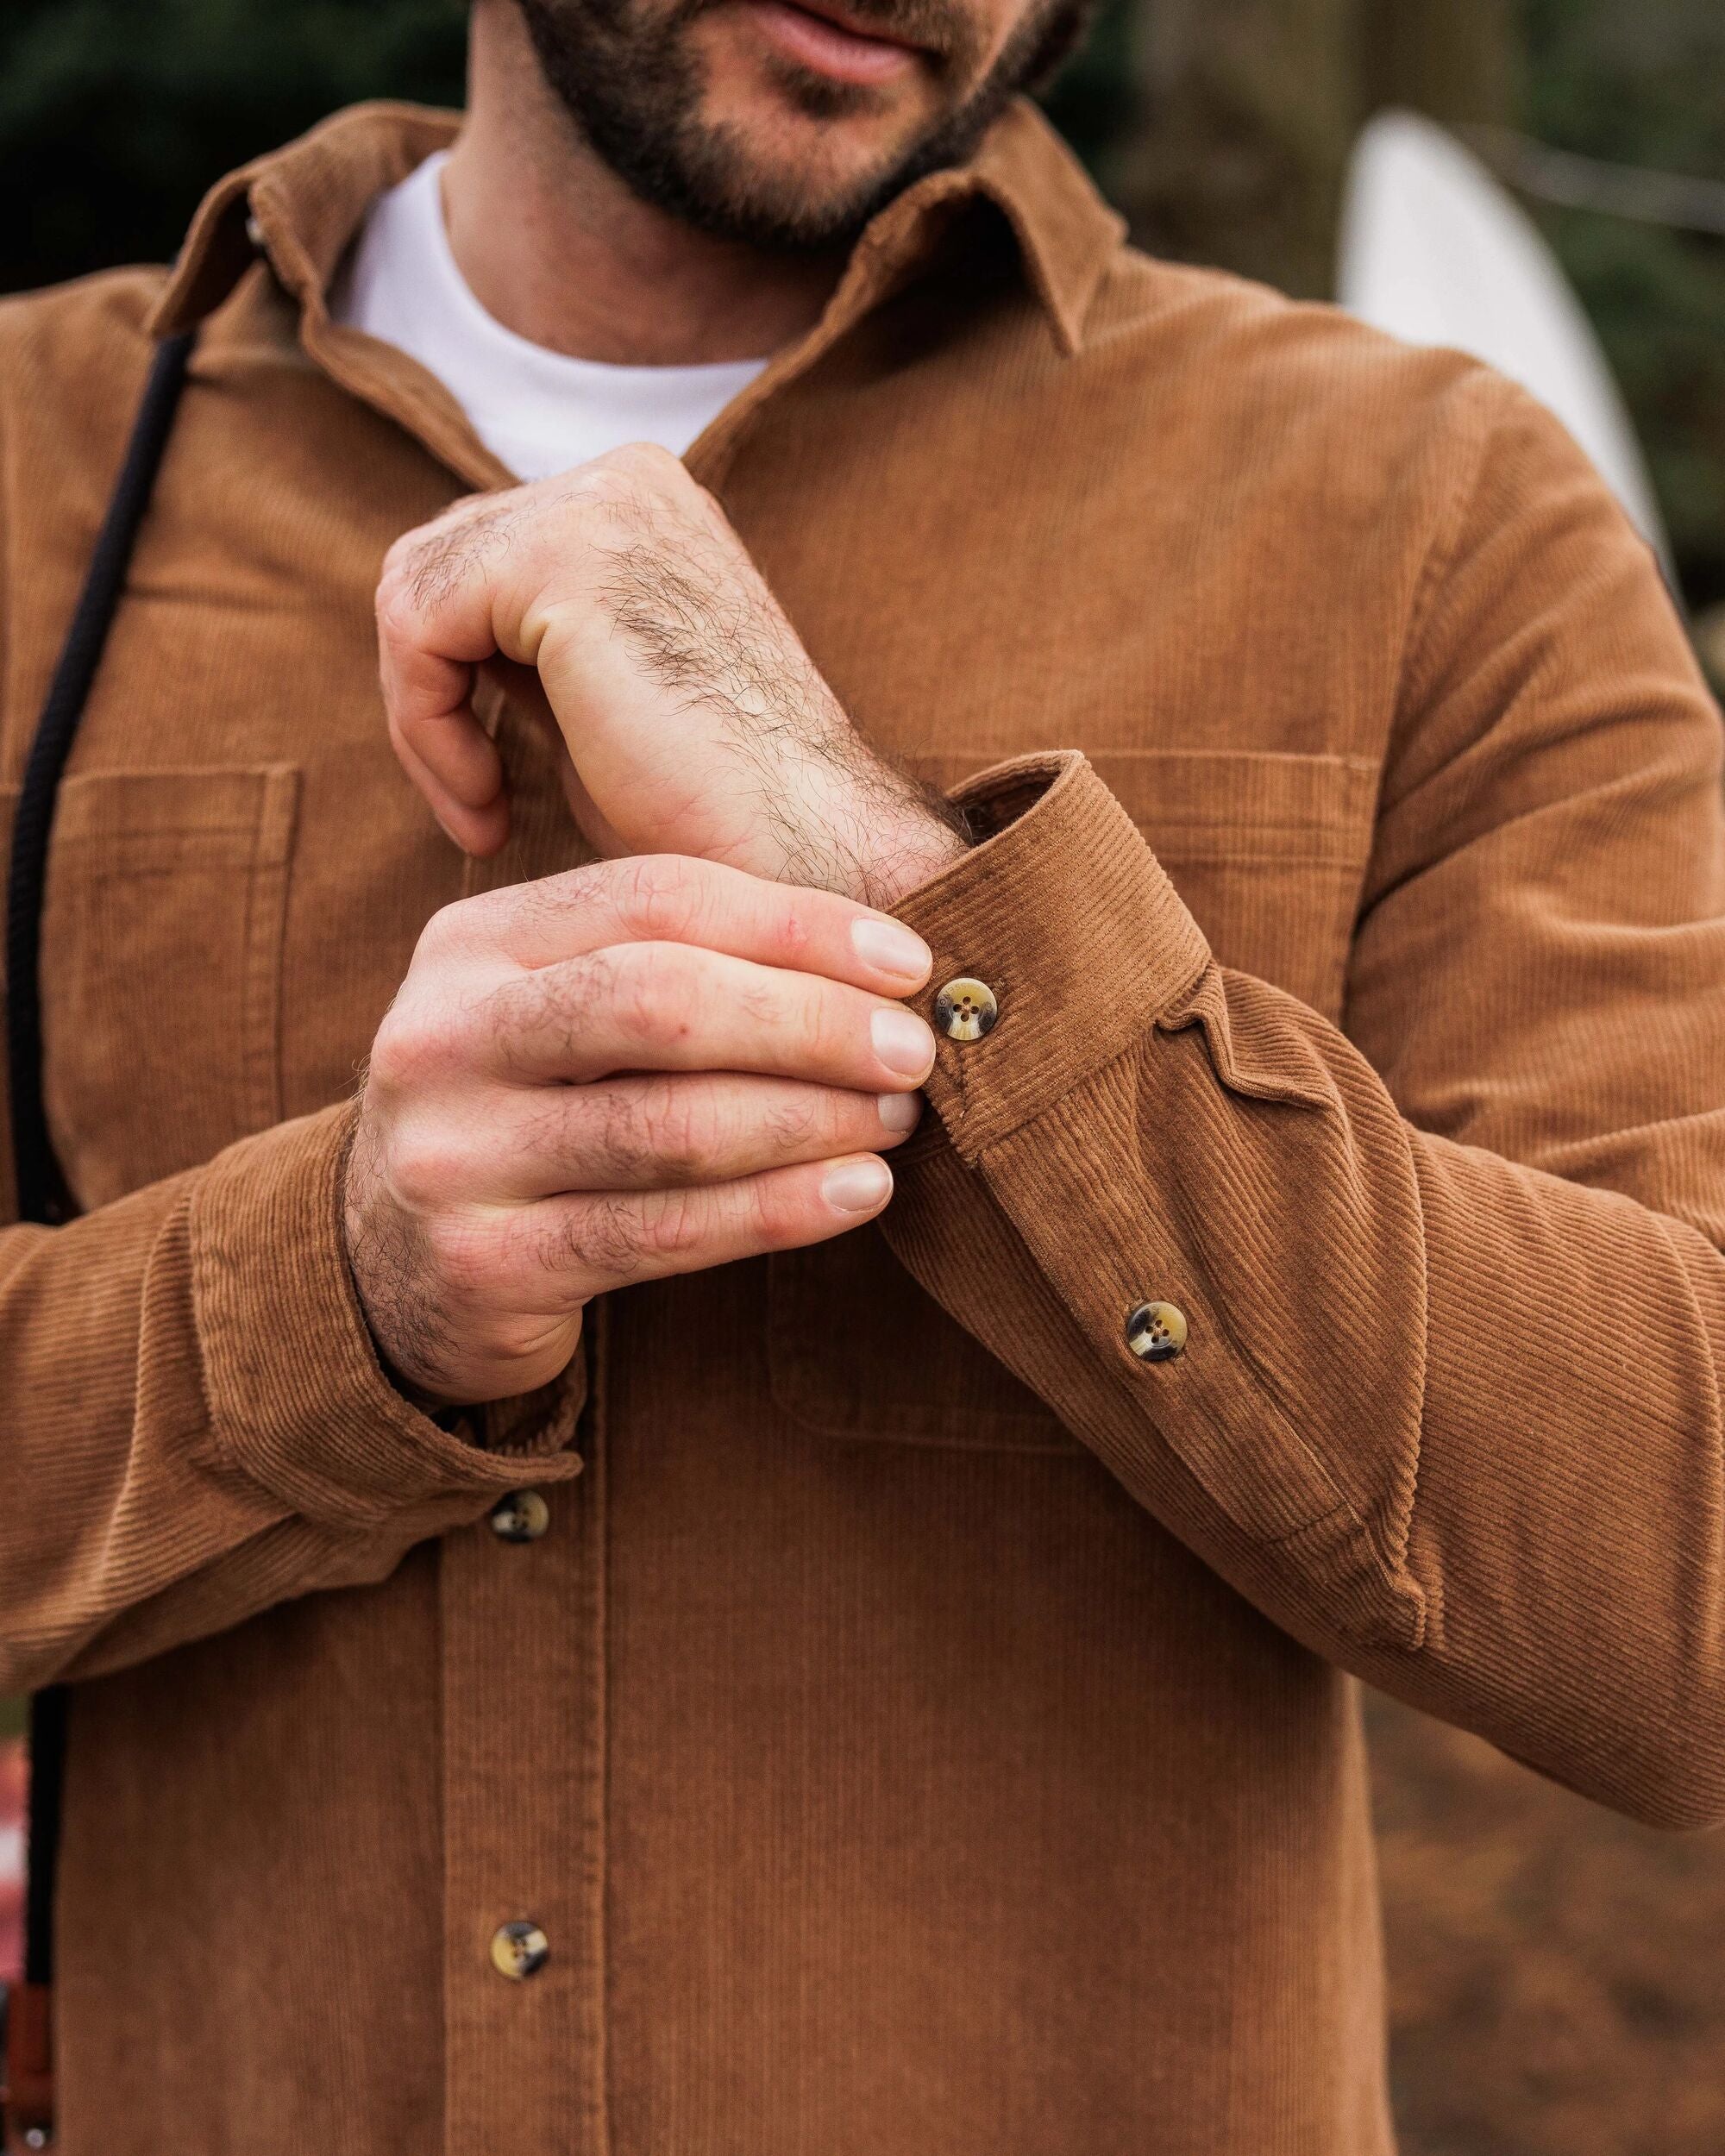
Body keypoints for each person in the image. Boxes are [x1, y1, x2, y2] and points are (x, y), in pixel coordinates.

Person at [1, 0, 1722, 2147]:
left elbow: (1685, 1590)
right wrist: (324, 1295)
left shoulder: (1435, 513)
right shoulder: (23, 469)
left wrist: (877, 859)